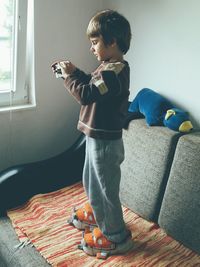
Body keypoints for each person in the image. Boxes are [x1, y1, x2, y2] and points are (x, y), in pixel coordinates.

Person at [51, 9, 133, 259]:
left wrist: (67, 78)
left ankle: (117, 237)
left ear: (112, 42)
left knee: (105, 190)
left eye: (95, 42)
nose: (91, 48)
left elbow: (87, 94)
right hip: (96, 138)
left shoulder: (114, 72)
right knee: (90, 181)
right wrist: (75, 72)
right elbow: (92, 85)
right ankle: (99, 217)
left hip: (106, 143)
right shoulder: (107, 68)